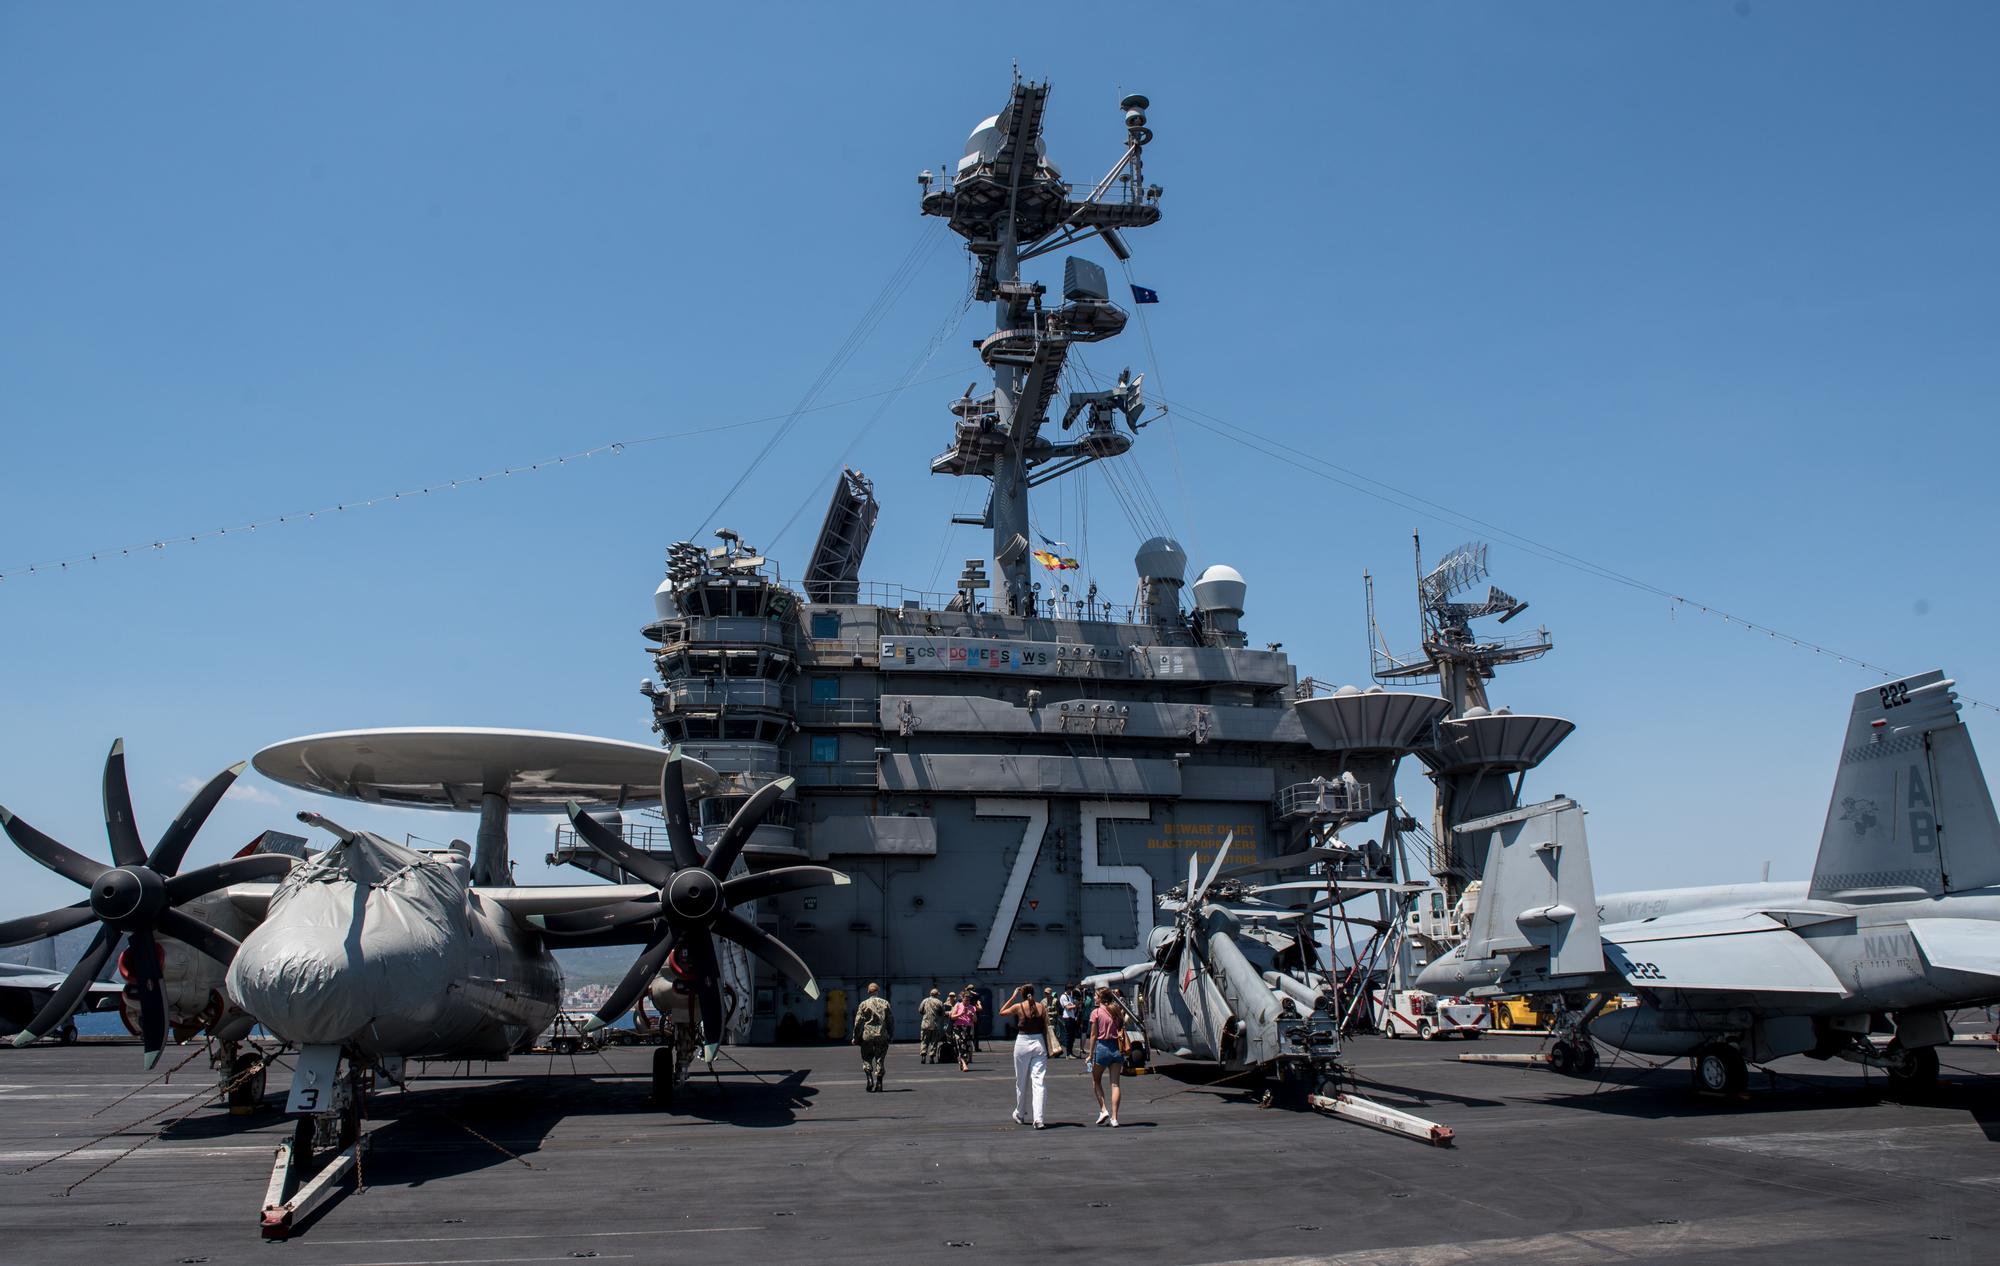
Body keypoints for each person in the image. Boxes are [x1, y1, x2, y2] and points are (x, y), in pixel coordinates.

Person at [1001, 982, 1053, 1128]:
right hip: (1039, 1043)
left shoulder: (1019, 1006)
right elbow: (1046, 1025)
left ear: (1022, 994)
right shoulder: (1041, 1007)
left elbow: (1002, 1011)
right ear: (1034, 993)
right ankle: (1039, 1119)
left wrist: (1012, 996)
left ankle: (1020, 1113)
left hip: (1022, 1042)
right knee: (1039, 1082)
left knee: (1021, 1081)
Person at [1088, 986, 1130, 1126]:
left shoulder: (1096, 1012)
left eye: (1095, 995)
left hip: (1103, 1048)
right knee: (1115, 1084)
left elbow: (1093, 1036)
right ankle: (1115, 1118)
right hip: (1117, 1049)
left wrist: (1090, 1054)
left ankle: (1103, 1109)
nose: (1094, 997)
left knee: (1096, 1080)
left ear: (1100, 998)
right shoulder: (1116, 1010)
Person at [851, 983, 894, 1092]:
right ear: (877, 991)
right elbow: (890, 1021)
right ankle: (879, 1083)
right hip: (881, 1035)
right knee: (880, 1059)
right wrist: (891, 1035)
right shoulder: (885, 1003)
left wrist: (855, 1037)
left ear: (868, 992)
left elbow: (858, 1023)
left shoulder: (863, 1004)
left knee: (866, 1058)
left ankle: (869, 1079)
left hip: (868, 1036)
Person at [918, 987, 949, 1064]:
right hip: (935, 1024)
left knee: (924, 1041)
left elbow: (920, 1010)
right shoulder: (939, 1002)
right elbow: (942, 1013)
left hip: (925, 1024)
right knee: (934, 1041)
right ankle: (931, 1057)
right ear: (936, 995)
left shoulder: (924, 1001)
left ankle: (923, 1056)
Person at [950, 989, 977, 1071]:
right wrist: (961, 1014)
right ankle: (964, 1064)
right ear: (962, 998)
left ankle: (963, 1062)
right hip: (958, 1027)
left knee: (968, 1047)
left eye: (968, 1000)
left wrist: (972, 1015)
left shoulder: (972, 1007)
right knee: (961, 1045)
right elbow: (952, 1017)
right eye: (966, 999)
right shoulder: (958, 1005)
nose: (967, 1001)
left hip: (968, 1028)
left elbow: (975, 1020)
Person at [1058, 985, 1081, 1057]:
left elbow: (1072, 1008)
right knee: (1069, 1036)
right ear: (1067, 989)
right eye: (1070, 989)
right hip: (1067, 1018)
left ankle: (1071, 1053)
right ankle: (1068, 1054)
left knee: (1072, 1036)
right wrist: (1076, 1005)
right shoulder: (1063, 996)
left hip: (1072, 1017)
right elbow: (1067, 1007)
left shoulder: (1070, 996)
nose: (1071, 991)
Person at [962, 983, 985, 1052]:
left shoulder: (967, 994)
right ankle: (975, 1047)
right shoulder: (970, 995)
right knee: (974, 1032)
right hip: (972, 1014)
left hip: (970, 1014)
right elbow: (979, 996)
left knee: (970, 1031)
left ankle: (968, 1046)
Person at [1041, 988, 1064, 1057]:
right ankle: (1048, 1052)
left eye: (1048, 993)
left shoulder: (1055, 1001)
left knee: (1055, 1037)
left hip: (1054, 1021)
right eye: (1045, 993)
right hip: (1046, 1022)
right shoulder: (1043, 1001)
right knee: (1046, 1037)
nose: (1046, 994)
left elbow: (1059, 1011)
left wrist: (1054, 1014)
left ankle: (1057, 1052)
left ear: (1051, 993)